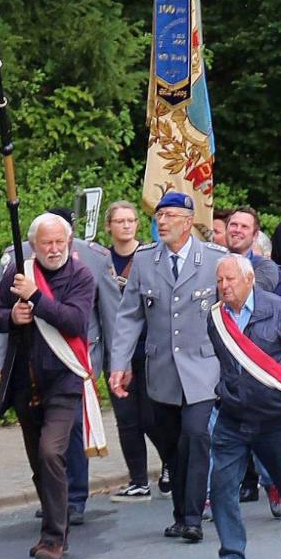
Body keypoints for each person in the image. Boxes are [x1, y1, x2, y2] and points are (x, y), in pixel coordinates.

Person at [0, 213, 100, 559]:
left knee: (53, 453)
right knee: (39, 460)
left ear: (68, 242)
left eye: (59, 242)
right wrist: (11, 317)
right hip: (24, 381)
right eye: (46, 243)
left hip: (63, 379)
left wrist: (36, 298)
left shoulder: (80, 275)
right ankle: (55, 527)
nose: (53, 250)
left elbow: (75, 321)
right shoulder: (19, 271)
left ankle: (54, 539)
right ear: (34, 245)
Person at [203, 254, 281, 559]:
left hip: (276, 418)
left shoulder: (280, 310)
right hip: (232, 415)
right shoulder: (215, 317)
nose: (224, 287)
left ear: (250, 279)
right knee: (222, 486)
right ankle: (232, 556)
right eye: (220, 281)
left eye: (231, 280)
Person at [125, 193, 223, 543]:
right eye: (158, 215)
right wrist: (120, 363)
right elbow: (129, 315)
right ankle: (181, 512)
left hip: (203, 367)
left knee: (196, 435)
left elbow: (231, 315)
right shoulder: (146, 260)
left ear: (187, 221)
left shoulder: (213, 260)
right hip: (162, 369)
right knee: (170, 442)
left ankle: (194, 517)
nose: (161, 222)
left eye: (169, 215)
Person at [96, 202, 156, 500]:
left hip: (148, 347)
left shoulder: (149, 256)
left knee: (153, 415)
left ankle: (170, 465)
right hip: (115, 349)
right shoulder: (100, 260)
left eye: (131, 220)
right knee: (126, 415)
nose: (126, 226)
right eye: (119, 221)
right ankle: (138, 479)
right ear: (109, 226)